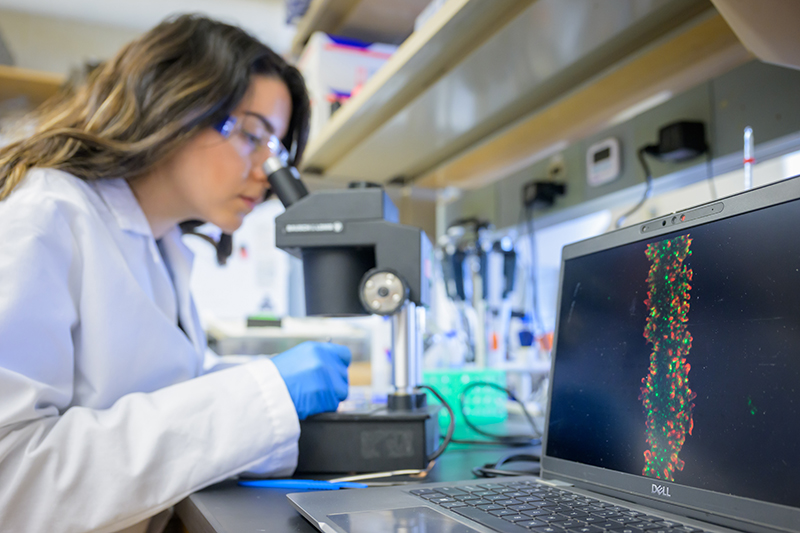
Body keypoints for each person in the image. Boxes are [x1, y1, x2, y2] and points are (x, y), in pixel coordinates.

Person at [0, 14, 352, 533]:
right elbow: (13, 481)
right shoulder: (44, 216)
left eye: (276, 150)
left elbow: (155, 396)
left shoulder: (162, 245)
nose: (266, 173)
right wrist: (260, 396)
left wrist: (254, 391)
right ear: (175, 103)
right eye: (252, 135)